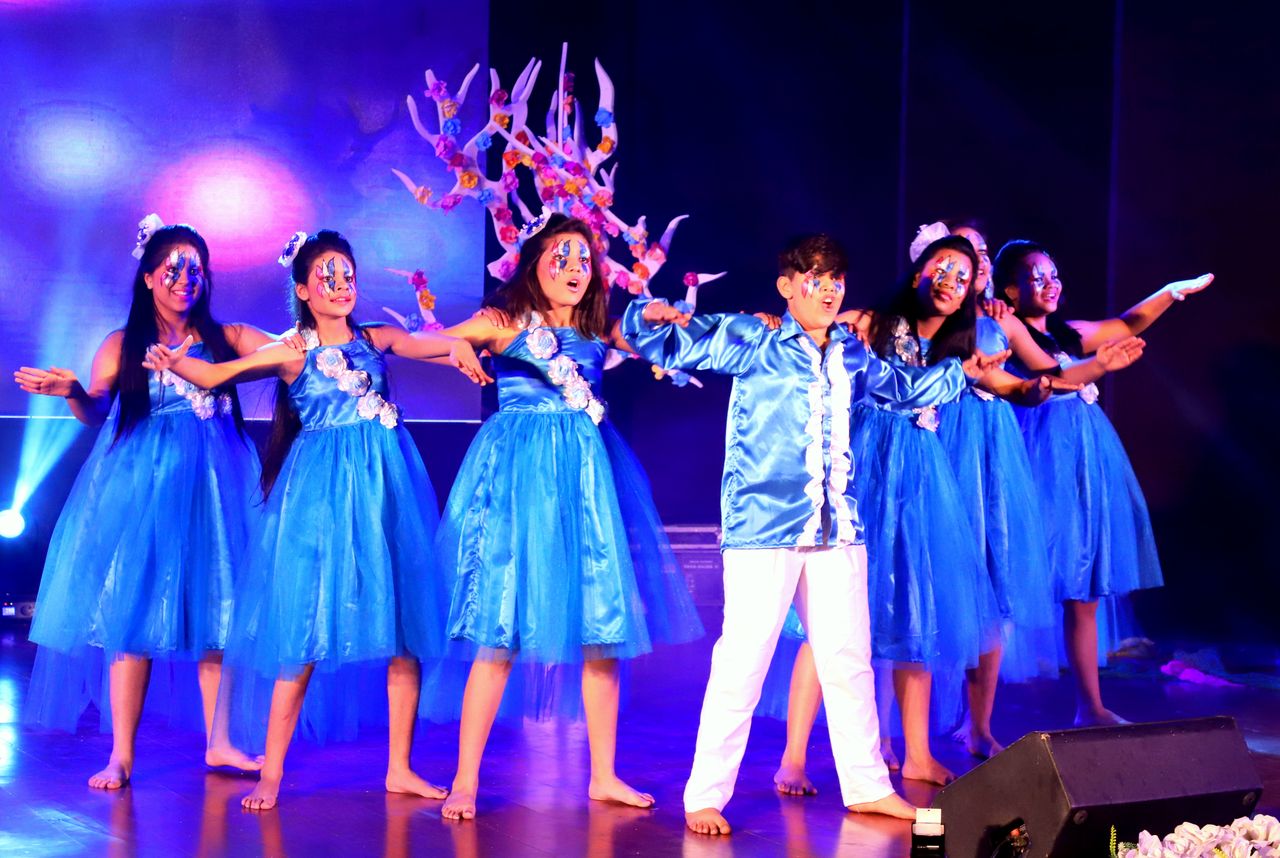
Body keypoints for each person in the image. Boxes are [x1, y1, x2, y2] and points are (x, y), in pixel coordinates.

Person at [622, 233, 1004, 835]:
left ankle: (868, 787)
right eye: (815, 279)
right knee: (743, 659)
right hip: (764, 527)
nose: (828, 290)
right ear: (787, 286)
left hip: (837, 526)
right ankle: (705, 794)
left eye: (836, 280)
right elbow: (668, 343)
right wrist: (646, 315)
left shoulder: (851, 352)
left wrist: (961, 372)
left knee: (848, 659)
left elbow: (902, 391)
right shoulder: (755, 338)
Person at [143, 229, 488, 809]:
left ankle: (399, 768)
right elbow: (220, 376)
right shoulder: (291, 352)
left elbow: (429, 343)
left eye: (347, 275)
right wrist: (181, 365)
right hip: (320, 500)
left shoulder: (375, 339)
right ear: (303, 289)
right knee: (304, 631)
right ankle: (272, 772)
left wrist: (460, 347)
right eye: (327, 277)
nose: (341, 285)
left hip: (385, 493)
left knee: (404, 631)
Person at [428, 213, 703, 820]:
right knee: (499, 628)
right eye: (563, 257)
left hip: (584, 481)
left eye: (584, 260)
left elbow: (654, 333)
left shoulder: (597, 328)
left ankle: (603, 775)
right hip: (518, 481)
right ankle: (465, 779)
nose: (577, 269)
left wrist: (665, 315)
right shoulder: (504, 321)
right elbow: (433, 340)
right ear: (535, 265)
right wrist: (456, 343)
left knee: (600, 628)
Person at [17, 217, 279, 788]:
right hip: (145, 488)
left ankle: (221, 742)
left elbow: (292, 351)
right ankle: (121, 754)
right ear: (148, 277)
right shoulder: (123, 344)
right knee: (133, 616)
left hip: (214, 488)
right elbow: (97, 409)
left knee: (219, 609)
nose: (185, 278)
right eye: (173, 268)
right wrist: (73, 393)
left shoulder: (227, 338)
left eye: (195, 269)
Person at [993, 239, 1211, 726]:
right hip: (1036, 457)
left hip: (1083, 458)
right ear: (1010, 290)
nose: (1050, 284)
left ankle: (1090, 707)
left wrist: (1170, 291)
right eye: (1036, 277)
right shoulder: (1006, 329)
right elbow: (1054, 375)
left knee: (1084, 587)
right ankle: (977, 719)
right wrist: (1101, 365)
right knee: (1013, 579)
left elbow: (1127, 323)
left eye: (1053, 275)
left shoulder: (1069, 333)